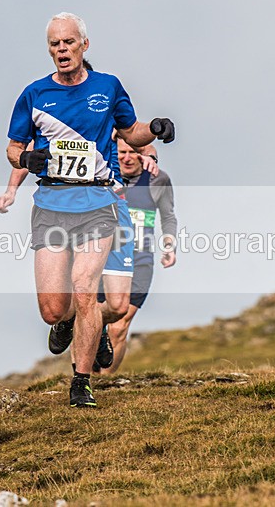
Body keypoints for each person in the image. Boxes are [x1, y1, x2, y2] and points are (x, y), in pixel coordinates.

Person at [6, 12, 175, 407]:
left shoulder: (108, 86)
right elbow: (13, 149)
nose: (62, 50)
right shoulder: (34, 94)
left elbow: (131, 130)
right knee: (53, 309)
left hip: (97, 203)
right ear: (49, 49)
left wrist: (156, 128)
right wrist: (27, 159)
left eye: (68, 42)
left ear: (84, 45)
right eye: (54, 44)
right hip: (50, 204)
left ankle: (80, 383)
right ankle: (71, 324)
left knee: (85, 289)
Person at [97, 137, 177, 373]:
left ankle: (105, 381)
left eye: (134, 152)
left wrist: (169, 244)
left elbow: (168, 215)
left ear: (144, 155)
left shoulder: (158, 179)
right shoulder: (102, 176)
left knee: (119, 326)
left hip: (140, 261)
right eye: (122, 152)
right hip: (103, 260)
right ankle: (84, 378)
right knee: (90, 320)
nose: (128, 157)